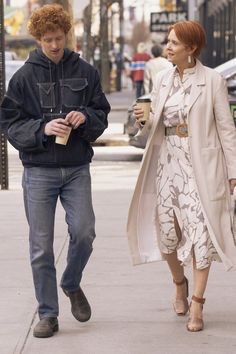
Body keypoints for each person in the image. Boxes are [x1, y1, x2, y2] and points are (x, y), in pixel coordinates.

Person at [0, 4, 110, 338]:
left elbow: (101, 113)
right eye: (47, 39)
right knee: (41, 246)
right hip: (39, 171)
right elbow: (9, 122)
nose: (54, 45)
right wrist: (42, 129)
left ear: (67, 35)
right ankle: (48, 314)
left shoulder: (86, 71)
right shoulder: (23, 77)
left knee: (85, 231)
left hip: (77, 167)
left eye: (59, 38)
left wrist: (85, 118)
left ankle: (71, 282)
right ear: (38, 38)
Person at [127, 21, 236, 332]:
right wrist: (142, 122)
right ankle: (179, 282)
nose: (169, 46)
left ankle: (197, 305)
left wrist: (233, 171)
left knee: (201, 234)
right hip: (167, 166)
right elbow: (151, 130)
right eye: (169, 41)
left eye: (175, 42)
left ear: (192, 49)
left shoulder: (213, 80)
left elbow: (226, 129)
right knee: (168, 237)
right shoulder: (161, 79)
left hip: (201, 166)